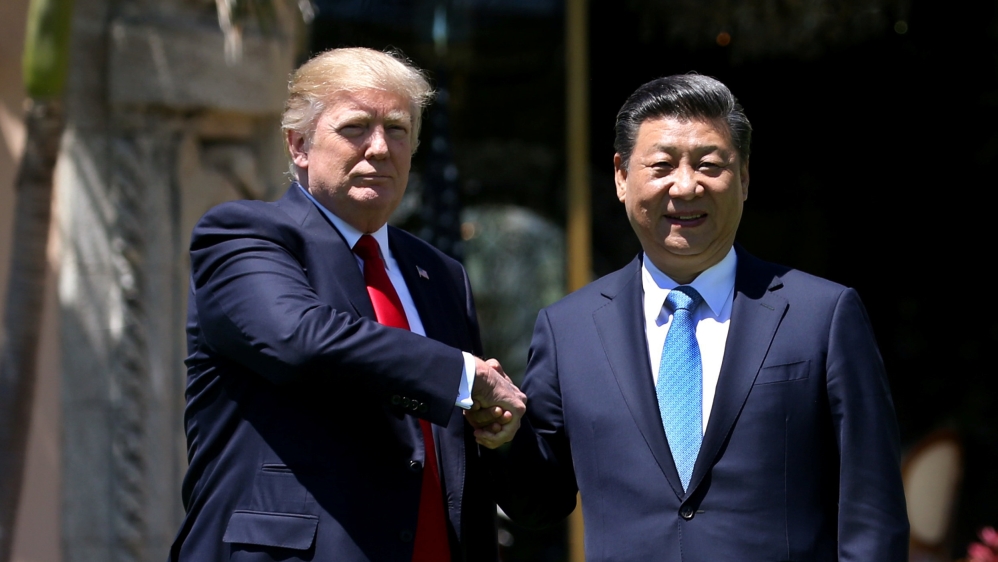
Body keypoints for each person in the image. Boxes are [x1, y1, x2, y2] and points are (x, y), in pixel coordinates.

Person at [491, 74, 909, 560]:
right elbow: (538, 501)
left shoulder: (822, 315)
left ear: (745, 177)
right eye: (662, 165)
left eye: (710, 165)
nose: (686, 186)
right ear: (622, 176)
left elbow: (872, 513)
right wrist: (502, 436)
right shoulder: (569, 330)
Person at [169, 47, 525, 562]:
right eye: (355, 127)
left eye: (398, 130)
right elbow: (300, 339)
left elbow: (452, 443)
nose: (379, 148)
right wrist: (464, 378)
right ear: (299, 144)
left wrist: (495, 424)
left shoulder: (441, 275)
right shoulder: (245, 236)